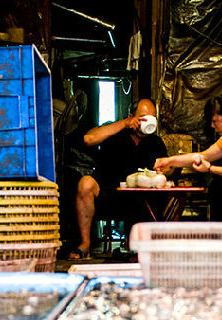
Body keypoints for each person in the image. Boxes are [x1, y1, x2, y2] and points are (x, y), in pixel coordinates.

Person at [69, 98, 168, 260]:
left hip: (141, 201)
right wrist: (124, 123)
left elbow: (166, 167)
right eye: (142, 118)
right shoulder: (115, 132)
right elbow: (88, 139)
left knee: (155, 198)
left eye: (151, 118)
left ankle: (138, 249)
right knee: (85, 183)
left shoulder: (155, 142)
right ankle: (84, 245)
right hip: (109, 194)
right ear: (131, 116)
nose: (147, 122)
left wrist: (165, 171)